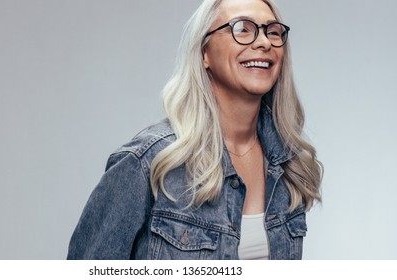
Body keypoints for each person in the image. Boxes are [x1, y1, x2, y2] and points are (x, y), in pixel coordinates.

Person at [67, 0, 322, 260]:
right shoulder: (147, 163)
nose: (265, 42)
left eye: (273, 32)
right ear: (204, 52)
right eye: (243, 29)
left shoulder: (288, 167)